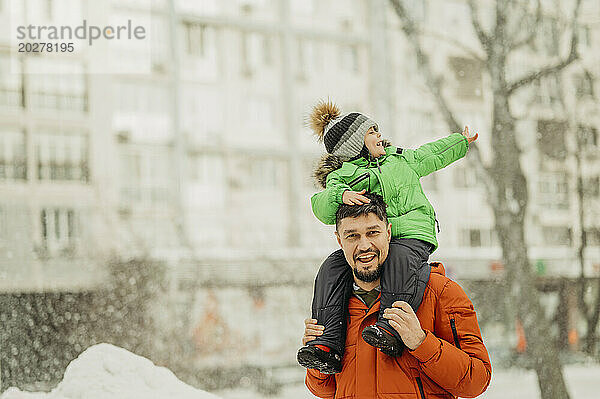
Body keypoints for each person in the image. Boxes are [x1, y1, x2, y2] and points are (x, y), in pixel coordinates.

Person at [297, 100, 478, 373]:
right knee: (331, 267)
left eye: (377, 130)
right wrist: (340, 195)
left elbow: (431, 154)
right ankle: (327, 342)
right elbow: (320, 206)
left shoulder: (400, 160)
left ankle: (391, 326)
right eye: (372, 132)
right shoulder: (343, 176)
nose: (379, 135)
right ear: (354, 143)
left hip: (413, 234)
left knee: (400, 258)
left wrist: (460, 142)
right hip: (381, 239)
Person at [303, 194, 491, 398]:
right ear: (340, 241)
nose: (364, 245)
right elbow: (325, 390)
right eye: (352, 236)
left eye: (373, 233)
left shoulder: (440, 291)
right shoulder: (333, 305)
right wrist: (319, 359)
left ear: (388, 233)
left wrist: (421, 342)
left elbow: (476, 381)